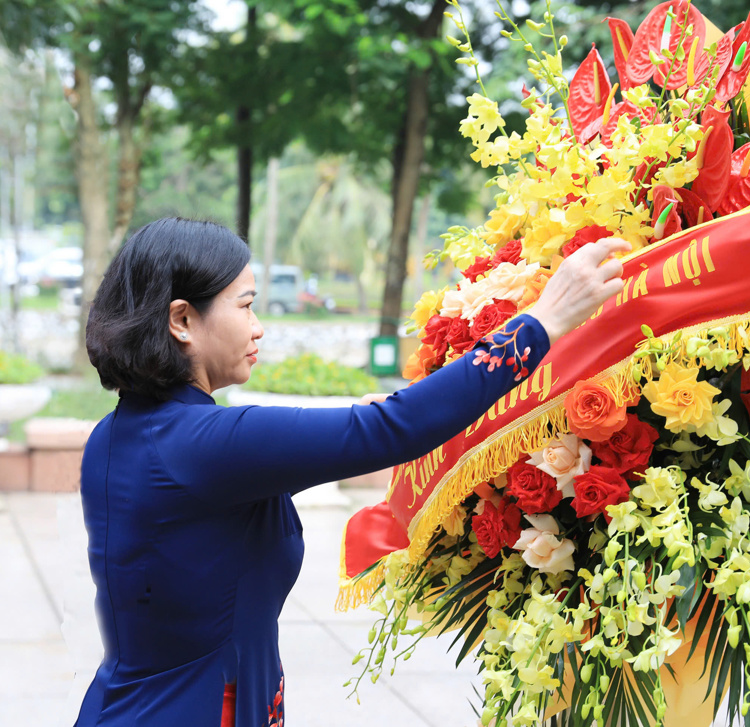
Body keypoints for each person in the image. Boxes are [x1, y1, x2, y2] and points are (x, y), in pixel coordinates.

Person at [74, 217, 629, 727]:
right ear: (182, 320)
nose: (259, 327)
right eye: (245, 306)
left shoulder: (121, 435)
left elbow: (351, 435)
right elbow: (394, 429)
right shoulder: (208, 446)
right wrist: (544, 321)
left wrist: (371, 421)